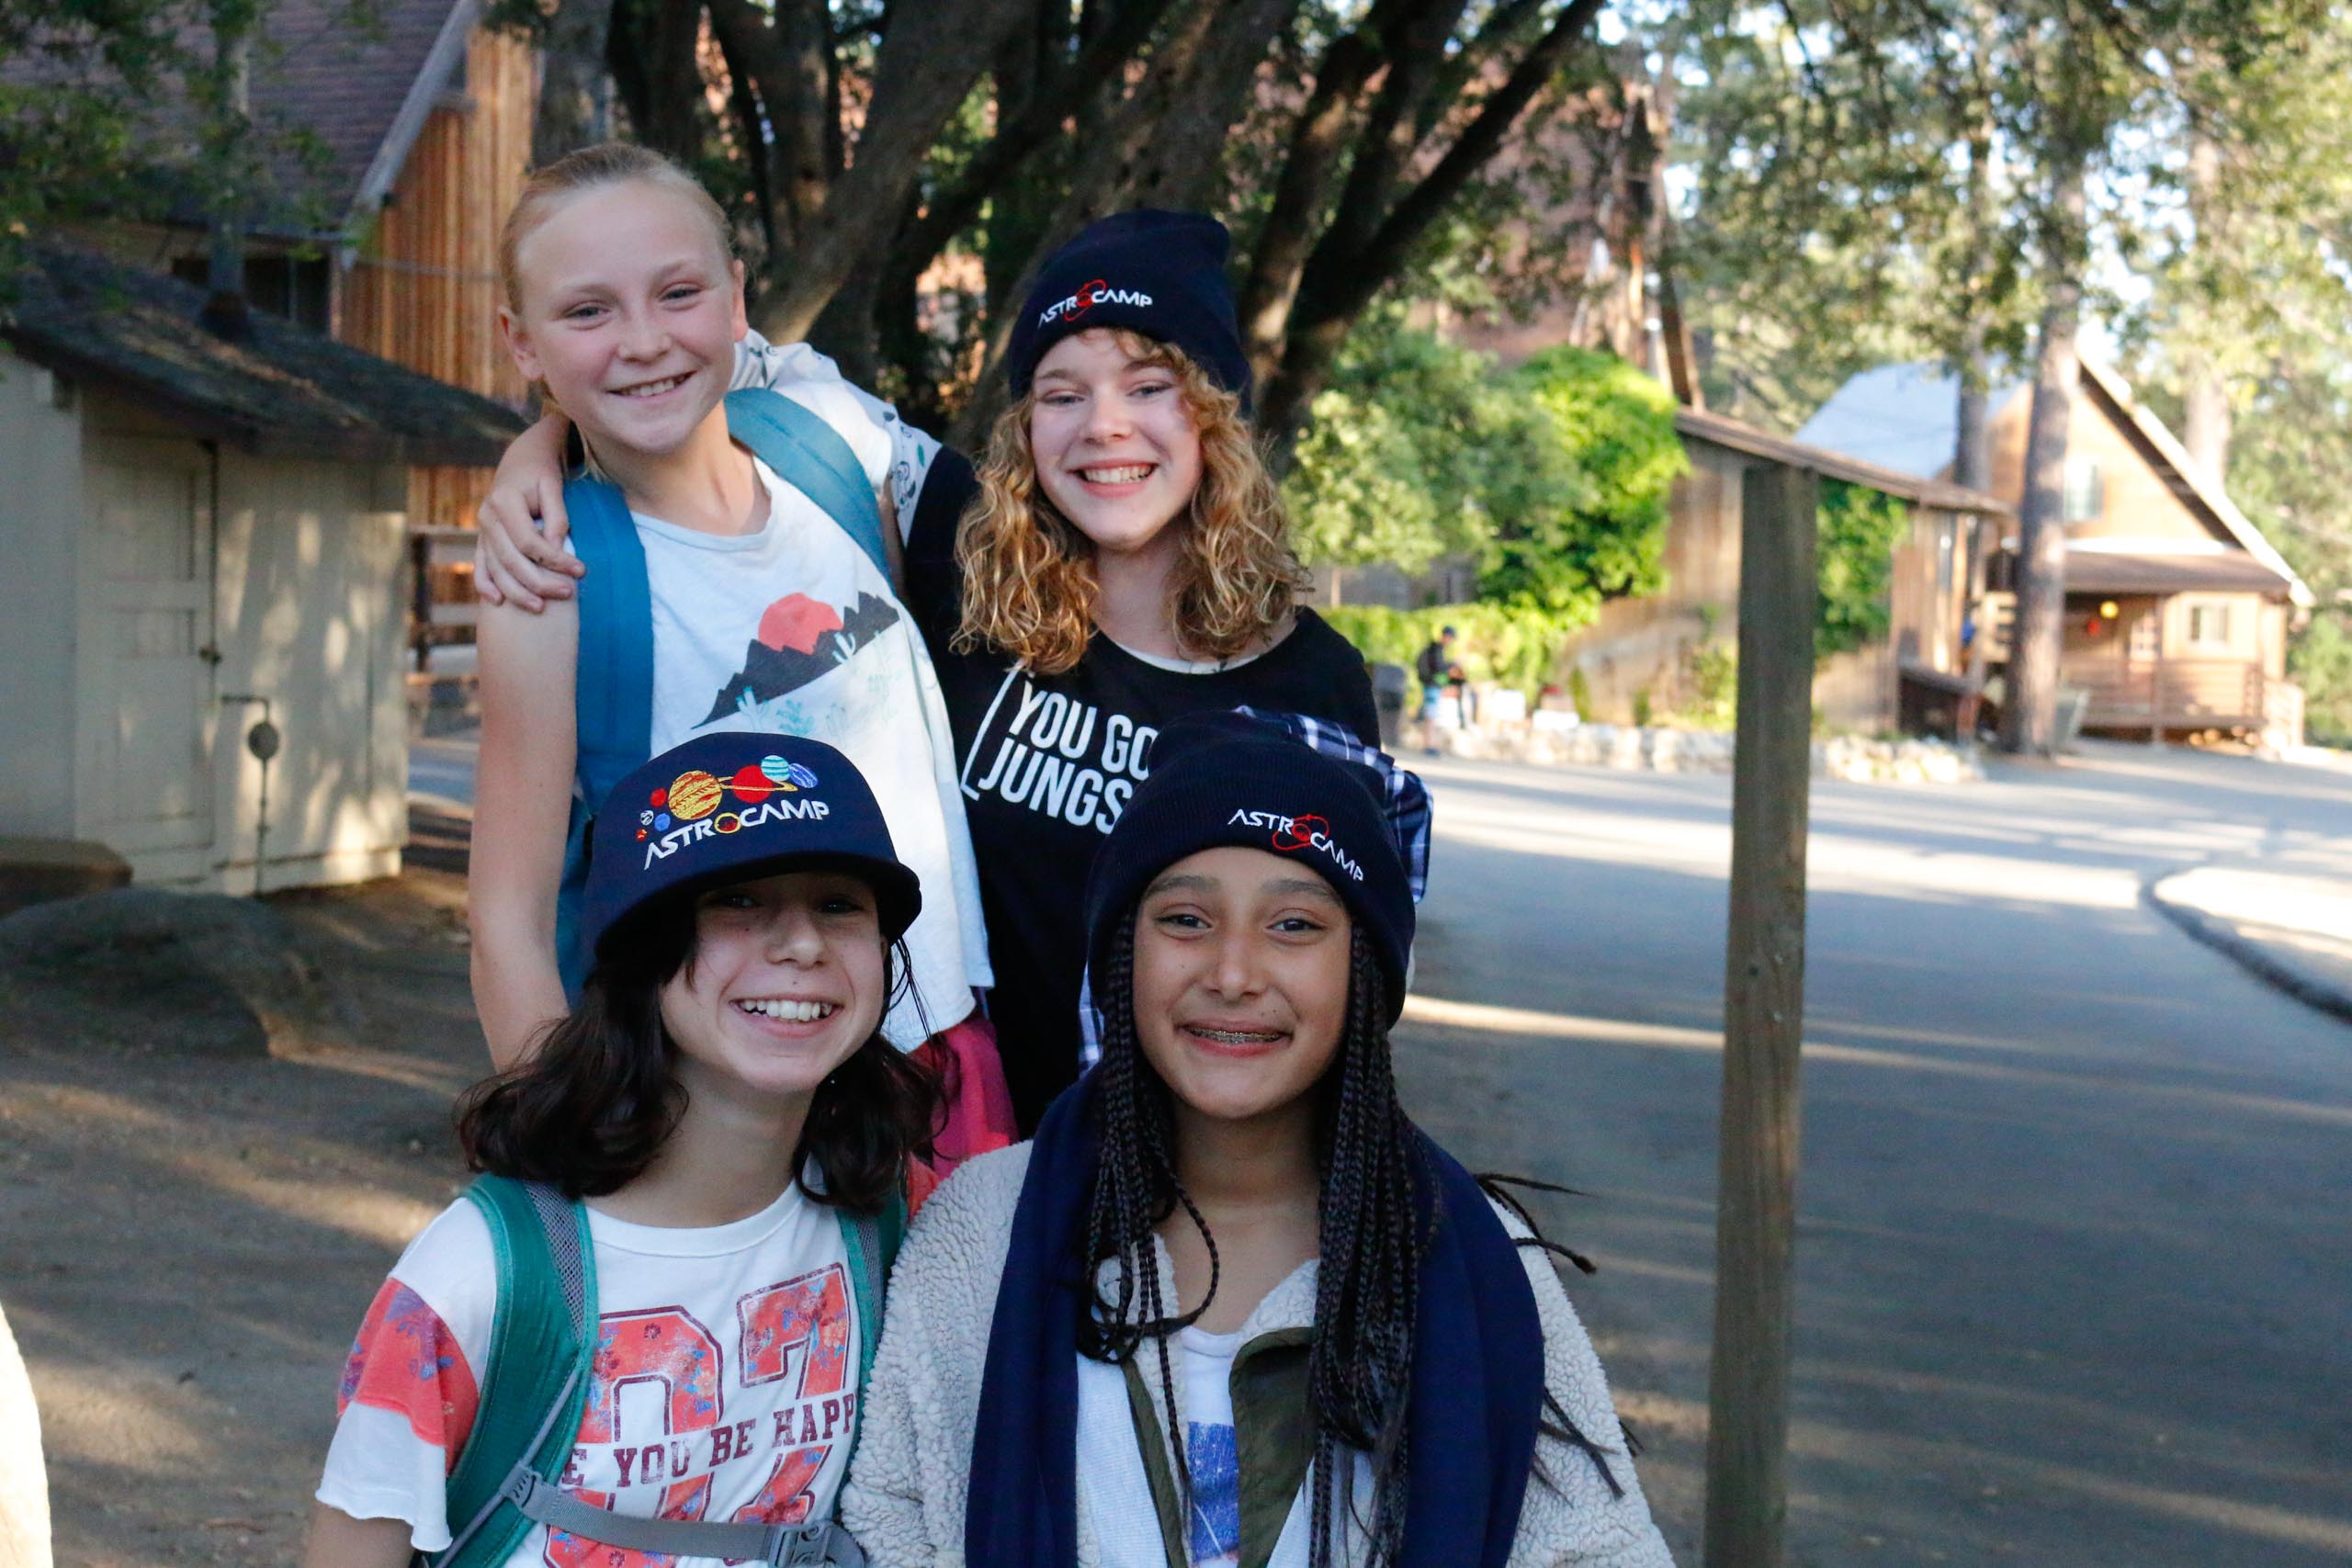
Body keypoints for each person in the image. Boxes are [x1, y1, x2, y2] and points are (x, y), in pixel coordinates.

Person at [474, 210, 1379, 1131]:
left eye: (1150, 387)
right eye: (1061, 395)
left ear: (1217, 411)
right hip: (937, 1115)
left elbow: (1341, 974)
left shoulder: (1310, 685)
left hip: (1178, 1152)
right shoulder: (975, 577)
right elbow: (697, 368)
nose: (1105, 428)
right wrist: (536, 451)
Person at [841, 712, 1673, 1568]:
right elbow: (893, 1522)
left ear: (1366, 972)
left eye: (1295, 926)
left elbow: (1600, 1550)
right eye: (1187, 920)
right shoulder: (985, 1229)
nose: (1234, 973)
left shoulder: (1475, 1257)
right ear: (1122, 955)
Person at [465, 143, 1001, 1153]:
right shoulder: (551, 581)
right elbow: (507, 926)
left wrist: (531, 443)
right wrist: (574, 1168)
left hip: (939, 1044)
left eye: (678, 293)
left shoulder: (829, 442)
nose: (642, 340)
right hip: (731, 1107)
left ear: (736, 298)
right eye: (586, 312)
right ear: (522, 342)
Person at [305, 733, 940, 1567]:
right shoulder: (484, 1272)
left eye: (839, 905)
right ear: (641, 951)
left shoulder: (897, 1222)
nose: (802, 945)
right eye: (739, 902)